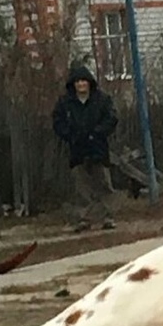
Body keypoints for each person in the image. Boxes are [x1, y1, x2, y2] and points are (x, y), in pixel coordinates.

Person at [52, 58, 119, 232]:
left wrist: (98, 132)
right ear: (73, 84)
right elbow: (57, 122)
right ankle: (85, 219)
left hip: (98, 147)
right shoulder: (65, 103)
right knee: (81, 187)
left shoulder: (102, 100)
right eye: (78, 81)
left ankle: (108, 217)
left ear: (89, 83)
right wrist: (70, 135)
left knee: (103, 183)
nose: (81, 84)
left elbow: (111, 118)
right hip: (77, 149)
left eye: (84, 81)